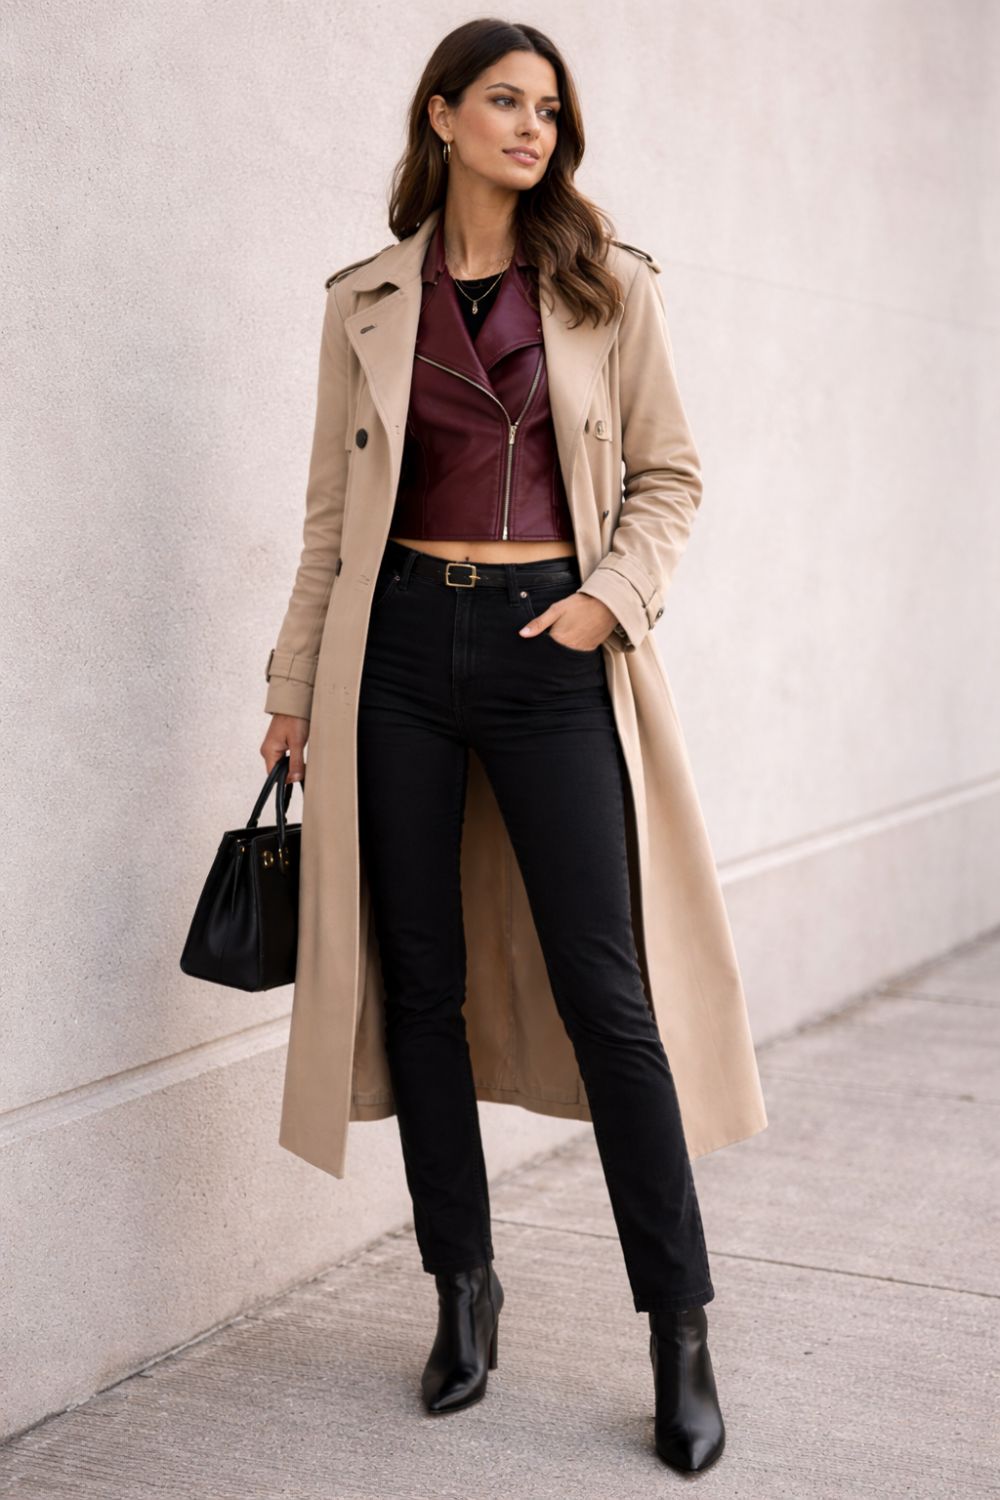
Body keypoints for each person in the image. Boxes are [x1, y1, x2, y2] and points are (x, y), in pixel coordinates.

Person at [261, 18, 767, 1476]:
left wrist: (608, 605)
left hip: (555, 646)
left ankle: (680, 1329)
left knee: (613, 998)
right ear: (442, 117)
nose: (534, 127)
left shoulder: (608, 286)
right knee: (420, 987)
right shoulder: (366, 301)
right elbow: (324, 519)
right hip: (402, 652)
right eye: (505, 101)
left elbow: (669, 474)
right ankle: (461, 1291)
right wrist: (296, 680)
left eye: (550, 107)